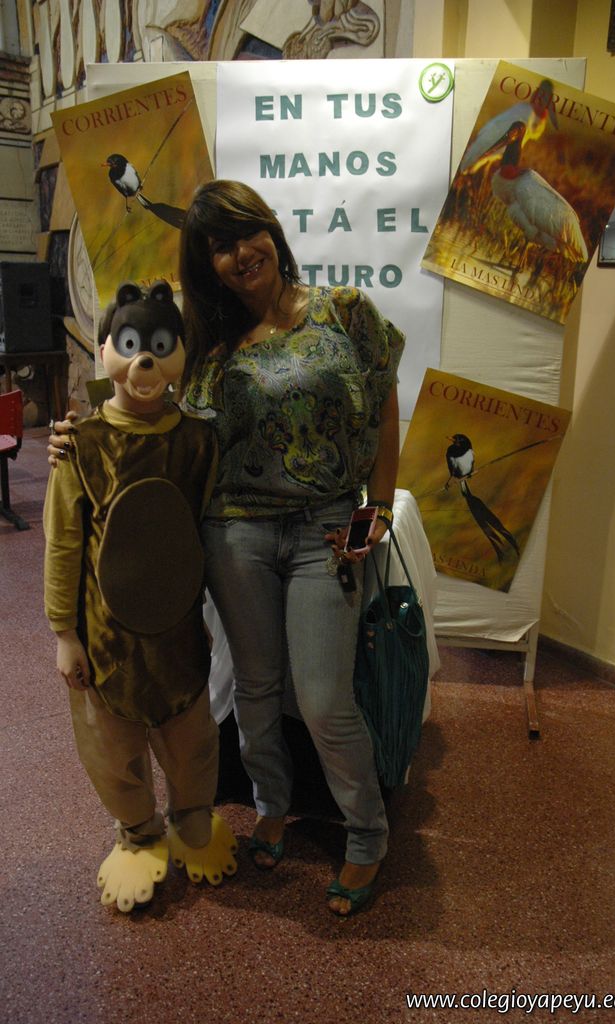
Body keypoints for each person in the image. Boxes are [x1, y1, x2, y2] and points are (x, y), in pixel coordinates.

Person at [51, 179, 404, 917]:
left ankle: (367, 832)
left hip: (324, 529)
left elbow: (383, 404)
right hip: (236, 531)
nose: (240, 253)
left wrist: (375, 508)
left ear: (272, 231)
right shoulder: (210, 346)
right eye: (219, 246)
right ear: (207, 263)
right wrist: (77, 438)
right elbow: (150, 417)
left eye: (248, 233)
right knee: (255, 687)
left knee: (324, 698)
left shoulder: (343, 311)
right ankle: (271, 807)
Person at [44, 280, 238, 913]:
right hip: (106, 636)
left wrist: (211, 613)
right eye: (129, 346)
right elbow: (63, 541)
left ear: (180, 353)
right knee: (111, 742)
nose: (144, 363)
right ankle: (136, 831)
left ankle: (191, 816)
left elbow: (205, 532)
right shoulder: (84, 444)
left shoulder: (200, 442)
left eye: (158, 346)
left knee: (192, 734)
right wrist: (64, 633)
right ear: (105, 350)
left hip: (179, 629)